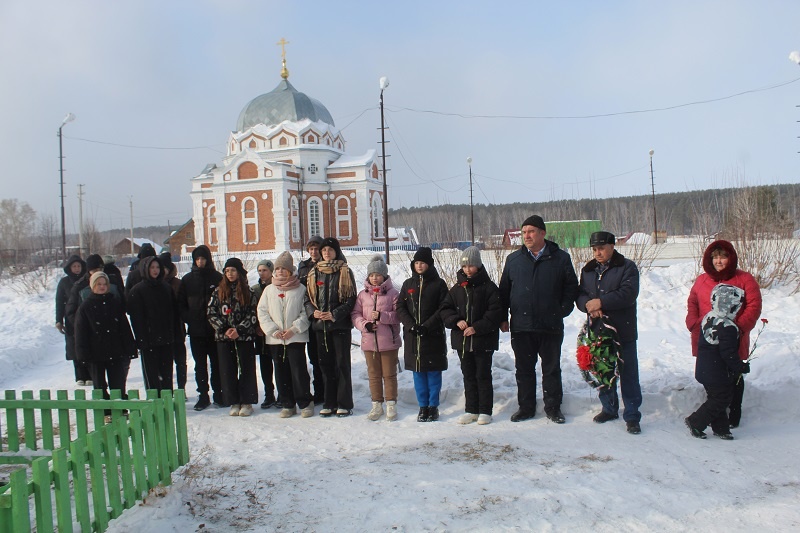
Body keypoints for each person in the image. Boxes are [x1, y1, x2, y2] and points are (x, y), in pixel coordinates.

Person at [499, 215, 579, 424]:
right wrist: (503, 317)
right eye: (524, 232)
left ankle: (553, 408)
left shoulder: (560, 258)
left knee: (551, 369)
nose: (527, 236)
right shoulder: (513, 260)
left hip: (550, 325)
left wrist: (561, 310)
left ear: (543, 233)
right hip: (522, 326)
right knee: (524, 370)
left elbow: (571, 288)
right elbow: (504, 292)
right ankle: (526, 408)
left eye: (531, 231)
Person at [685, 240, 761, 428]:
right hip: (706, 336)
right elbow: (692, 301)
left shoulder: (745, 279)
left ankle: (733, 416)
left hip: (732, 337)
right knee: (711, 376)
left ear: (731, 258)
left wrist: (738, 328)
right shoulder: (702, 280)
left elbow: (754, 305)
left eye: (723, 257)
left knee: (734, 375)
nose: (719, 261)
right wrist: (693, 322)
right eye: (715, 257)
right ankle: (718, 416)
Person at [576, 231, 642, 434]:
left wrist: (602, 302)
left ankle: (632, 415)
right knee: (602, 370)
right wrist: (588, 304)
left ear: (612, 246)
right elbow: (580, 294)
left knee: (628, 373)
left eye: (602, 248)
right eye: (595, 249)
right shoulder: (588, 270)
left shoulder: (626, 267)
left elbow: (628, 293)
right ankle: (609, 408)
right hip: (598, 331)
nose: (598, 253)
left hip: (623, 330)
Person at [441, 246, 503, 425]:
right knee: (468, 375)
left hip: (483, 340)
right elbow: (445, 309)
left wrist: (477, 327)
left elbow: (495, 312)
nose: (468, 269)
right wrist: (456, 320)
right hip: (463, 342)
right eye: (465, 266)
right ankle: (471, 409)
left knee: (482, 375)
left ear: (478, 266)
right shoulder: (456, 288)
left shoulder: (489, 287)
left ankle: (485, 410)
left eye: (471, 266)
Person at [685, 284, 750, 440]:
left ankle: (721, 428)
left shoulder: (709, 317)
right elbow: (728, 354)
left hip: (704, 369)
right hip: (717, 372)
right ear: (732, 305)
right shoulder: (727, 327)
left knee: (717, 398)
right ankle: (695, 421)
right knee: (722, 398)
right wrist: (740, 367)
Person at [304, 237, 357, 417]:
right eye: (324, 250)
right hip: (320, 326)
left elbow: (351, 299)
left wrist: (335, 314)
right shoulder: (314, 272)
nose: (326, 253)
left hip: (339, 325)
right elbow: (307, 299)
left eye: (330, 250)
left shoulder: (345, 271)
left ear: (336, 252)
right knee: (325, 365)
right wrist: (314, 312)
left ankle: (344, 403)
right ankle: (329, 401)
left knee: (341, 364)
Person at [257, 252, 313, 419]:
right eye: (278, 268)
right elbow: (262, 312)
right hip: (276, 338)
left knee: (298, 370)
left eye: (284, 268)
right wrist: (273, 330)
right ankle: (287, 403)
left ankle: (304, 402)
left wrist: (293, 329)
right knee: (281, 371)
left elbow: (305, 312)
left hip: (295, 337)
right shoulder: (269, 290)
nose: (280, 271)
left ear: (291, 270)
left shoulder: (301, 288)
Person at [396, 247, 449, 423]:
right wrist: (411, 325)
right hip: (413, 337)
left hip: (432, 336)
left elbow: (443, 308)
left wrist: (427, 326)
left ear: (429, 264)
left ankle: (433, 407)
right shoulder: (408, 284)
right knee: (418, 373)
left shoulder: (439, 284)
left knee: (433, 373)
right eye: (416, 263)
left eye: (423, 263)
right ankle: (423, 407)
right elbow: (400, 308)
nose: (419, 266)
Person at [352, 254, 402, 422]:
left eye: (378, 275)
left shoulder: (393, 294)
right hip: (369, 341)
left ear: (384, 276)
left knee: (389, 374)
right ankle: (376, 403)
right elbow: (355, 314)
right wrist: (364, 324)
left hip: (389, 341)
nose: (374, 278)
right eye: (372, 275)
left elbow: (399, 316)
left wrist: (382, 316)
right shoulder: (362, 295)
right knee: (373, 374)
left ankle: (391, 403)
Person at [207, 257, 259, 417]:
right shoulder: (218, 292)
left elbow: (253, 313)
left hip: (244, 337)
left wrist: (240, 329)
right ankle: (233, 400)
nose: (230, 274)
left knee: (246, 368)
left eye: (233, 270)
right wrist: (224, 328)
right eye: (227, 271)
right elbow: (211, 312)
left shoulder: (248, 292)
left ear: (239, 272)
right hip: (224, 337)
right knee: (227, 369)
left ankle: (247, 400)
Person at [74, 272, 137, 400]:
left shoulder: (114, 302)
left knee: (118, 384)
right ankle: (105, 412)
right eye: (98, 284)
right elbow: (81, 333)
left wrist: (130, 347)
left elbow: (124, 327)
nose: (102, 287)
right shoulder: (86, 306)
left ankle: (120, 409)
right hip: (95, 354)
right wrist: (83, 354)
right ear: (92, 286)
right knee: (99, 387)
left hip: (115, 351)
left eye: (104, 284)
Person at [178, 245, 224, 411]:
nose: (200, 262)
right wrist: (189, 318)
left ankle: (219, 393)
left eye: (203, 258)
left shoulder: (217, 278)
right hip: (197, 330)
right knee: (200, 365)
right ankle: (203, 395)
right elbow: (181, 304)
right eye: (197, 259)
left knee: (216, 363)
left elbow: (224, 301)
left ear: (208, 259)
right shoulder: (188, 280)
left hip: (215, 330)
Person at [128, 256, 181, 393]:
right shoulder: (137, 291)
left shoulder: (166, 288)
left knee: (167, 374)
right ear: (146, 269)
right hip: (148, 341)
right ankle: (154, 402)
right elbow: (136, 319)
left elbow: (174, 314)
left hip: (166, 339)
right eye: (152, 267)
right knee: (152, 375)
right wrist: (141, 339)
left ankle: (167, 401)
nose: (155, 270)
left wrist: (175, 333)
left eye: (157, 267)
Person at [65, 254, 116, 387]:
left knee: (115, 378)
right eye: (94, 270)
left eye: (100, 268)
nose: (98, 272)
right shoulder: (79, 287)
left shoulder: (110, 283)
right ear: (88, 270)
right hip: (91, 335)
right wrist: (82, 325)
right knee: (98, 378)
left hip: (110, 336)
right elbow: (71, 310)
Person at [297, 235, 324, 403]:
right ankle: (319, 391)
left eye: (316, 249)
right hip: (309, 315)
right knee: (314, 357)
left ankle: (326, 390)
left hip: (324, 315)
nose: (314, 252)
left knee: (324, 358)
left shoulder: (326, 265)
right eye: (311, 249)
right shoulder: (304, 267)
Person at [55, 255, 88, 385]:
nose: (77, 269)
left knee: (87, 344)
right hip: (71, 319)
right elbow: (59, 302)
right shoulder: (64, 283)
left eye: (79, 266)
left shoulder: (86, 280)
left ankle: (90, 374)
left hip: (86, 317)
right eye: (74, 266)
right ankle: (79, 376)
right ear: (69, 268)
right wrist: (59, 320)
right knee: (75, 347)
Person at [252, 259, 280, 409]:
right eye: (260, 270)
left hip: (276, 331)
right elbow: (254, 310)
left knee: (278, 362)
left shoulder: (277, 287)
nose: (262, 273)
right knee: (265, 364)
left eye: (265, 270)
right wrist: (258, 326)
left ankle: (282, 392)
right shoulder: (255, 289)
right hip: (261, 333)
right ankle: (269, 393)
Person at [160, 252, 188, 393]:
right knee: (165, 363)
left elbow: (183, 304)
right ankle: (167, 390)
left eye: (165, 268)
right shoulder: (156, 285)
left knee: (180, 361)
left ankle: (181, 388)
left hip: (177, 327)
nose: (163, 271)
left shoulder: (177, 284)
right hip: (162, 330)